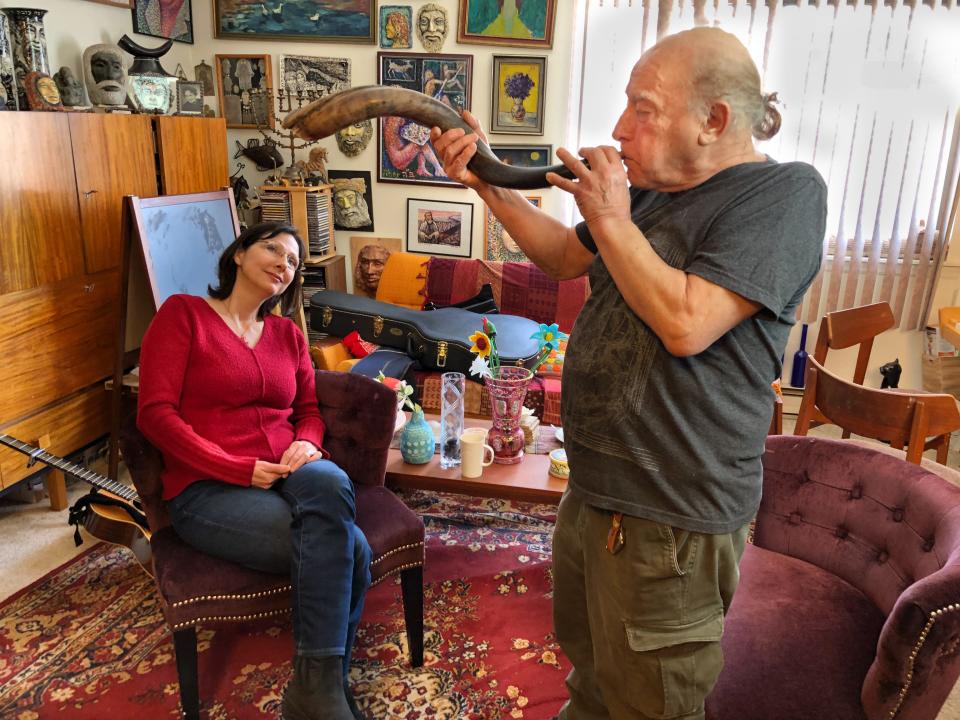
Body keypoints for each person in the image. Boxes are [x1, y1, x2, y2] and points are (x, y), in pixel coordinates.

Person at [431, 27, 826, 719]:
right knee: (593, 680)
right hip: (597, 492)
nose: (618, 128)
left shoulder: (783, 195)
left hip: (672, 515)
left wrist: (611, 213)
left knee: (651, 703)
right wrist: (485, 183)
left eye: (643, 108)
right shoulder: (651, 191)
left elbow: (687, 322)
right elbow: (560, 254)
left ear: (715, 120)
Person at [137, 222, 371, 720]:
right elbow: (154, 415)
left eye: (292, 263)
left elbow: (308, 410)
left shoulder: (287, 334)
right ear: (239, 255)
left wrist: (307, 443)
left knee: (331, 479)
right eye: (273, 250)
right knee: (351, 547)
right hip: (207, 488)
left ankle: (315, 689)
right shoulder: (183, 315)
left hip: (289, 470)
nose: (283, 265)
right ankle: (325, 688)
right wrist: (235, 467)